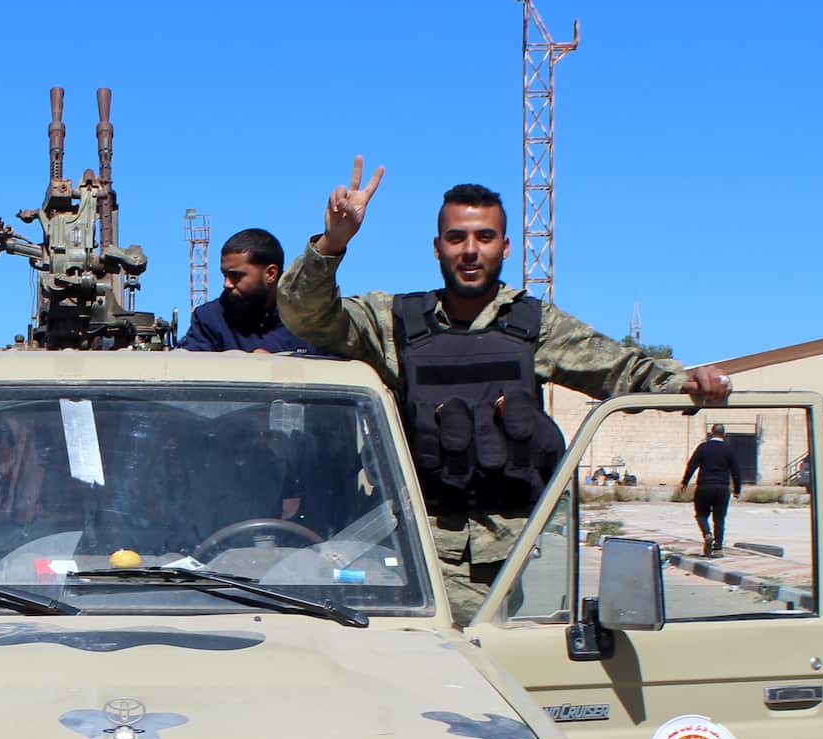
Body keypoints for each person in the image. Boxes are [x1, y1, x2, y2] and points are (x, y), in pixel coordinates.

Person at [276, 157, 733, 625]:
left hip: (508, 558)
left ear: (506, 247)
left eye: (484, 238)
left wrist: (685, 383)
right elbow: (303, 315)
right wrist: (333, 242)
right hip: (412, 549)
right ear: (437, 248)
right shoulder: (393, 322)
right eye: (456, 238)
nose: (470, 251)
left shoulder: (535, 326)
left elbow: (618, 369)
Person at [179, 228, 315, 353]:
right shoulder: (209, 319)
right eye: (224, 275)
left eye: (236, 276)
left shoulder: (311, 319)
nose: (226, 284)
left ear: (270, 274)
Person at [681, 423, 742, 557]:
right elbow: (736, 470)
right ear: (724, 434)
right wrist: (737, 488)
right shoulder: (728, 449)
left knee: (701, 515)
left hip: (704, 486)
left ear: (711, 433)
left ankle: (707, 534)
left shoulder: (703, 447)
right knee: (719, 518)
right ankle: (718, 548)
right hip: (722, 488)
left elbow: (692, 465)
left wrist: (685, 482)